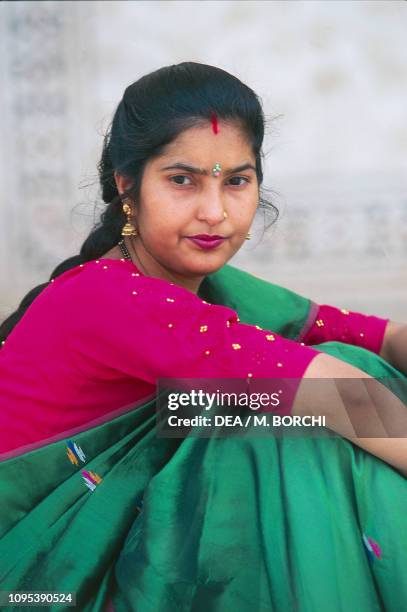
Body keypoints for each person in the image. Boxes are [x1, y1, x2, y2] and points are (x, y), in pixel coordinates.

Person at [0, 62, 406, 612]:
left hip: (128, 555)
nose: (214, 212)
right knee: (288, 422)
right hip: (45, 579)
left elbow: (378, 339)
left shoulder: (205, 285)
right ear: (127, 184)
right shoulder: (104, 298)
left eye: (236, 181)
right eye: (182, 180)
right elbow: (340, 393)